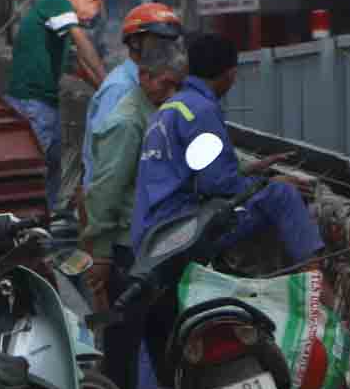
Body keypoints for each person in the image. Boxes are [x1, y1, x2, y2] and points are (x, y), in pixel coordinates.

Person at [133, 32, 326, 272]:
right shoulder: (200, 111)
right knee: (282, 195)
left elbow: (192, 172)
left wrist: (252, 169)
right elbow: (217, 184)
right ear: (231, 74)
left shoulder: (172, 108)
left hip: (152, 229)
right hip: (180, 232)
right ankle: (317, 288)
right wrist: (267, 183)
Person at [84, 43, 187, 389]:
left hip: (158, 247)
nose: (171, 92)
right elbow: (104, 191)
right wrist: (100, 254)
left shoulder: (161, 113)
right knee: (121, 352)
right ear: (145, 77)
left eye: (177, 85)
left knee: (166, 341)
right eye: (165, 83)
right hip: (128, 251)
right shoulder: (127, 122)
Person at [4, 0, 107, 210]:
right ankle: (25, 222)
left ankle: (45, 221)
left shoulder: (59, 22)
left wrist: (105, 90)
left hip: (46, 103)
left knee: (52, 169)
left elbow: (79, 62)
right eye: (94, 14)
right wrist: (106, 80)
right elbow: (82, 44)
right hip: (32, 101)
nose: (90, 21)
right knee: (34, 172)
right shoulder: (56, 2)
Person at [80, 3, 184, 206]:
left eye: (170, 41)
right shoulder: (121, 89)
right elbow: (106, 167)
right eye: (159, 40)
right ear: (135, 42)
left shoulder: (160, 86)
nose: (167, 47)